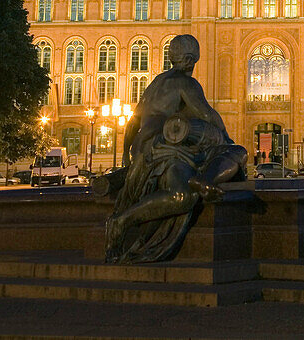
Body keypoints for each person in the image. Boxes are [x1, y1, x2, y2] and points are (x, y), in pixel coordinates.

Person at [105, 34, 247, 264]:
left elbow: (132, 122)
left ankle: (202, 180)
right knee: (232, 154)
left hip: (148, 149)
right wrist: (226, 139)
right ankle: (121, 222)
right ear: (191, 60)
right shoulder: (186, 82)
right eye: (192, 59)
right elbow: (207, 115)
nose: (192, 64)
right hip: (163, 149)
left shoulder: (156, 83)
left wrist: (126, 153)